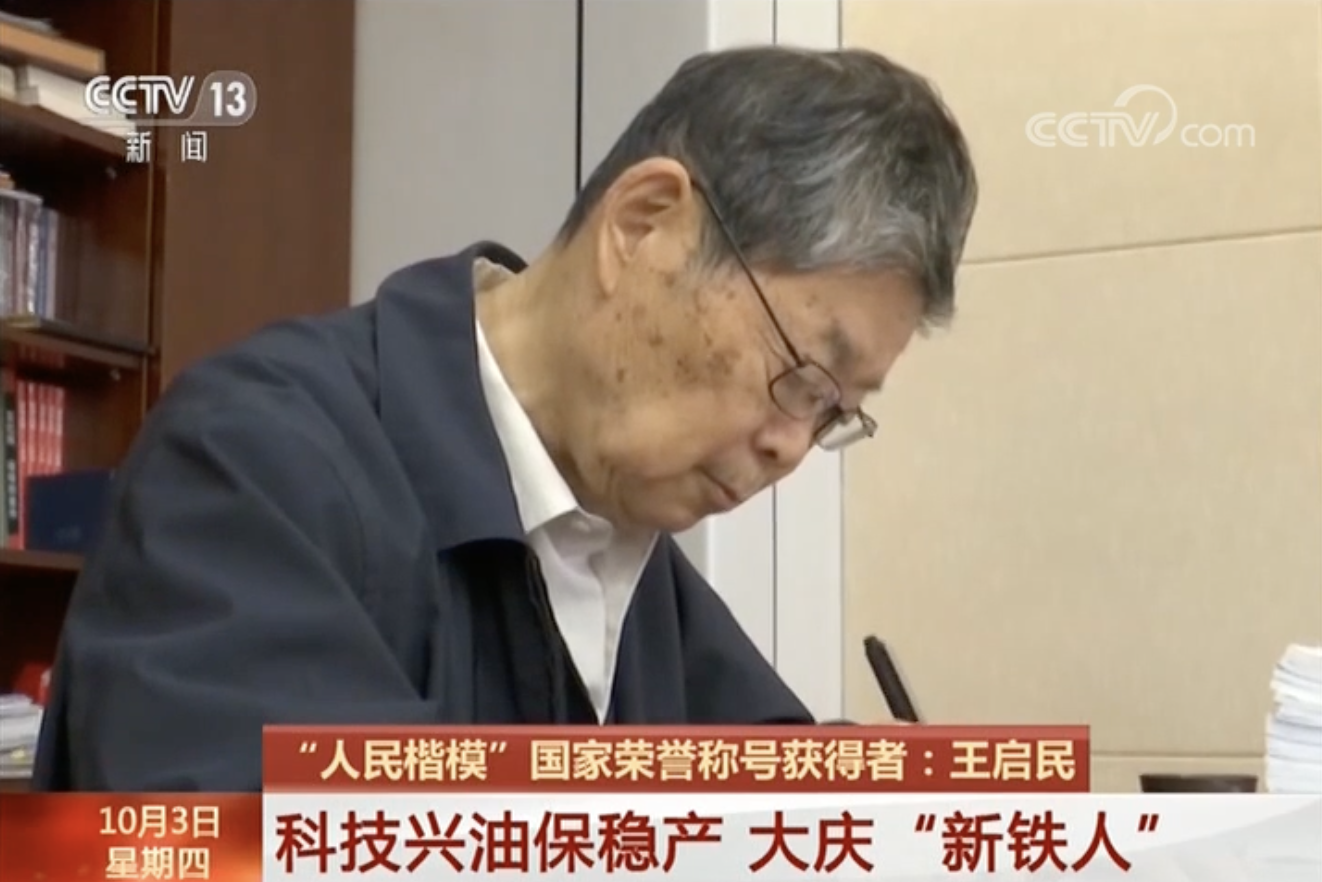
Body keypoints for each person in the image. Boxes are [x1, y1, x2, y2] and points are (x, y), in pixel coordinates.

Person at [33, 45, 976, 791]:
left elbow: (777, 794)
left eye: (833, 415)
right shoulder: (250, 463)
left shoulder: (623, 543)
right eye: (800, 377)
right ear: (645, 225)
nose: (789, 447)